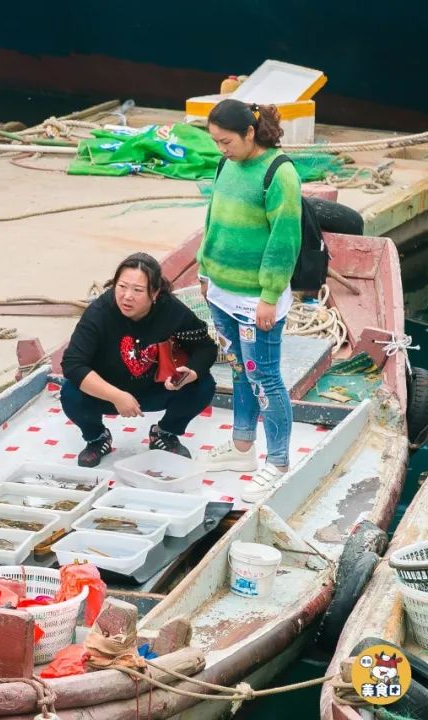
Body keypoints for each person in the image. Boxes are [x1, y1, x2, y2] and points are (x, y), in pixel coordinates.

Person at [198, 99, 301, 503]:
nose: (221, 149)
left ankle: (277, 462)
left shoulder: (280, 173)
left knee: (265, 378)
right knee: (239, 368)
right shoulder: (226, 165)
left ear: (249, 133)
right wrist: (204, 270)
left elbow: (285, 239)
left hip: (255, 300)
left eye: (226, 141)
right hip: (221, 292)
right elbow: (213, 217)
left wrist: (269, 296)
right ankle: (243, 449)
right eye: (216, 142)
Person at [61, 253, 218, 468]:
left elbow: (205, 347)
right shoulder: (99, 312)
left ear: (155, 293)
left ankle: (165, 432)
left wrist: (190, 371)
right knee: (71, 393)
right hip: (108, 391)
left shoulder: (170, 310)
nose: (127, 296)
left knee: (204, 384)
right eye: (122, 286)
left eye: (138, 290)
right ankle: (97, 437)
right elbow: (72, 364)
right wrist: (115, 396)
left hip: (155, 388)